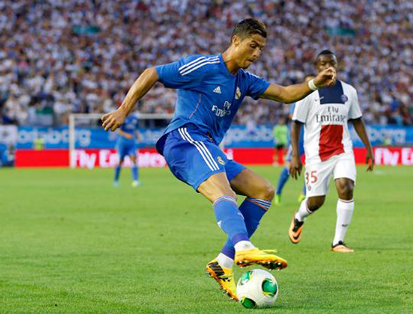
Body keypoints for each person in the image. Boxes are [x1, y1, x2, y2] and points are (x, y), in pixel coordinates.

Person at [101, 19, 336, 301]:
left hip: (207, 148)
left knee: (263, 191)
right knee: (223, 192)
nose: (257, 53)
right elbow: (152, 73)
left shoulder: (244, 81)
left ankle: (222, 263)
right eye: (253, 46)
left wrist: (314, 83)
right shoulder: (204, 67)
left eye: (261, 48)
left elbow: (285, 94)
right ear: (235, 40)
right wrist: (123, 110)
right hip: (184, 139)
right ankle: (243, 247)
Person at [288, 50, 374, 253]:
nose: (328, 67)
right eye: (323, 64)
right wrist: (294, 155)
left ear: (337, 65)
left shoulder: (349, 91)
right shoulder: (307, 92)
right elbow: (296, 124)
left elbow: (357, 120)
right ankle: (299, 218)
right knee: (316, 202)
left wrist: (369, 149)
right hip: (316, 155)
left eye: (332, 63)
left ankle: (338, 242)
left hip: (343, 150)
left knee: (346, 187)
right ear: (317, 68)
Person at [275, 75, 314, 206]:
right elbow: (292, 116)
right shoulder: (299, 98)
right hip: (298, 139)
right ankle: (278, 192)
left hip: (312, 139)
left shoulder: (319, 100)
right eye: (307, 81)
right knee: (289, 167)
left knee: (312, 167)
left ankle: (304, 194)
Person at [113, 113, 140, 187]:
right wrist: (126, 135)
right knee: (121, 161)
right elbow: (118, 131)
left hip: (132, 143)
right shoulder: (122, 117)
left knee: (134, 159)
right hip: (123, 143)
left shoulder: (135, 118)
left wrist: (138, 136)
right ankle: (116, 180)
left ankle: (135, 180)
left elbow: (135, 129)